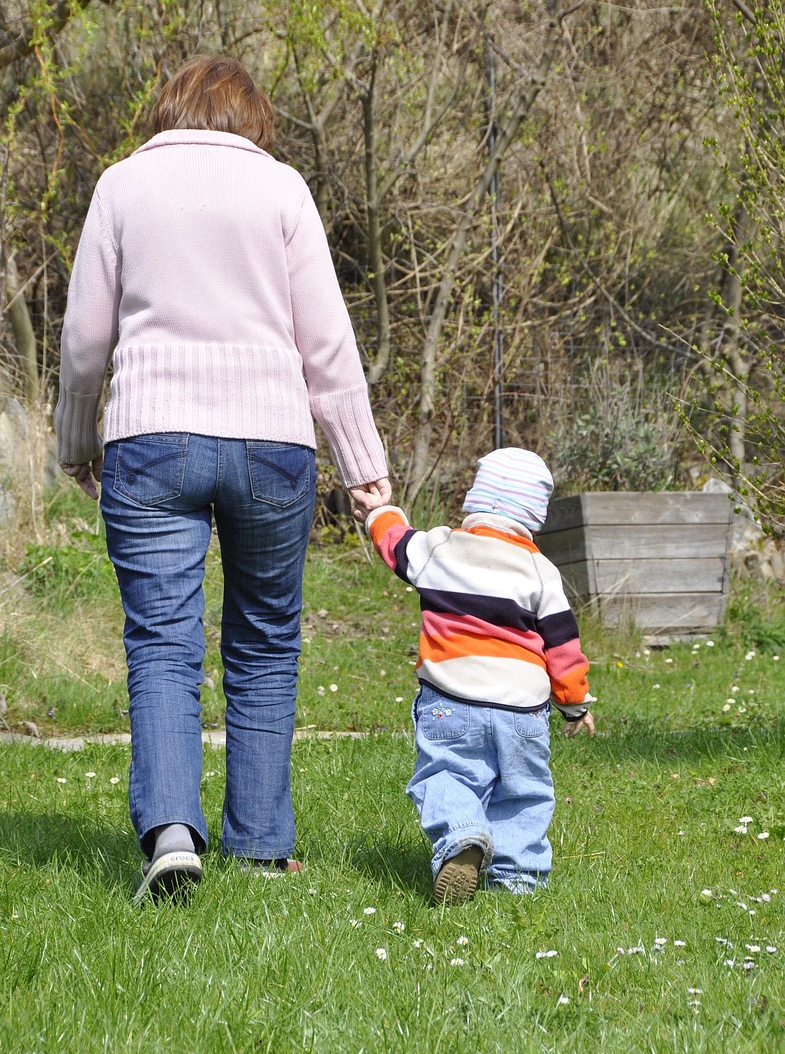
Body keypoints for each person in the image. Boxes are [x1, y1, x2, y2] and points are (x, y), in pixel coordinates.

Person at [55, 55, 391, 903]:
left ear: (169, 108)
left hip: (151, 436)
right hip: (273, 442)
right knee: (266, 639)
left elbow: (86, 338)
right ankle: (261, 847)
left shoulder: (121, 186)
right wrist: (366, 471)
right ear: (253, 117)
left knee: (163, 641)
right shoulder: (282, 190)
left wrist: (73, 437)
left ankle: (172, 836)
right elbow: (328, 344)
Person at [356, 447, 594, 905]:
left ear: (473, 499)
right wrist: (574, 703)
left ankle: (462, 836)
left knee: (446, 776)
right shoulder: (541, 571)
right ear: (535, 516)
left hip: (451, 702)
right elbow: (564, 647)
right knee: (523, 793)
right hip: (522, 711)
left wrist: (377, 511)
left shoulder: (441, 547)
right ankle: (518, 883)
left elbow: (395, 542)